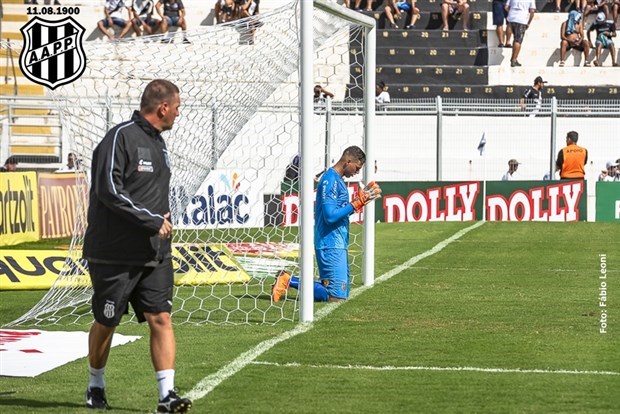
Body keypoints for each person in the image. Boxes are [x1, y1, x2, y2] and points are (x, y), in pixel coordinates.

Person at [83, 79, 192, 413]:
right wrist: (151, 220)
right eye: (177, 107)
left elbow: (149, 194)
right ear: (163, 108)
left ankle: (167, 395)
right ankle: (95, 384)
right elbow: (109, 190)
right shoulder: (120, 137)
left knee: (161, 317)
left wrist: (162, 217)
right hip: (114, 253)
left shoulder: (159, 144)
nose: (178, 113)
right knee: (107, 321)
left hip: (154, 253)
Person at [272, 146, 382, 303]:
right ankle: (288, 280)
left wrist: (358, 203)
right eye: (357, 168)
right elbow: (330, 216)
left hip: (338, 241)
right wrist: (356, 204)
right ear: (348, 161)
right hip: (329, 242)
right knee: (335, 296)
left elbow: (339, 211)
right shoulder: (330, 180)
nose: (357, 172)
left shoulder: (338, 180)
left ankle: (288, 279)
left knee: (341, 293)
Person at [506, 0, 536, 67]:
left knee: (515, 38)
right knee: (518, 40)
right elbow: (532, 11)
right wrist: (528, 22)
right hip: (521, 19)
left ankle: (514, 58)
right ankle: (514, 59)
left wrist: (512, 13)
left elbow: (506, 7)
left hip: (511, 18)